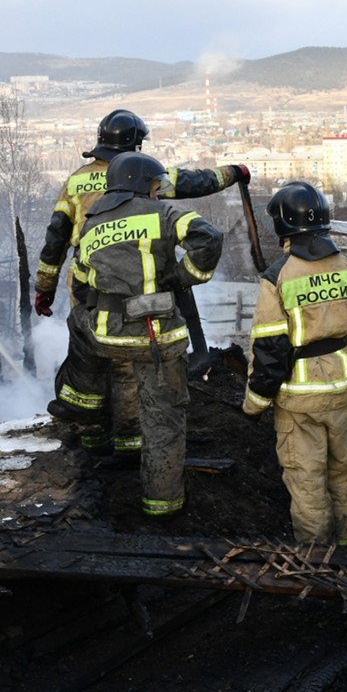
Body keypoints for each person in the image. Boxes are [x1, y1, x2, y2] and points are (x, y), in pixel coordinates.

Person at [36, 108, 249, 460]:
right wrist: (235, 172)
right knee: (129, 365)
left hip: (88, 281)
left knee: (93, 354)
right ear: (135, 143)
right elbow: (198, 182)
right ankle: (131, 443)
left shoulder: (75, 181)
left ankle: (92, 437)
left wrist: (45, 288)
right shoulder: (145, 175)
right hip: (140, 284)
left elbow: (56, 236)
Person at [52, 151, 224, 519]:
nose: (158, 192)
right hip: (155, 337)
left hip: (105, 337)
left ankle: (80, 400)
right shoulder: (162, 213)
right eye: (155, 185)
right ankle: (162, 506)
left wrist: (97, 312)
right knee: (162, 422)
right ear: (143, 184)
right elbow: (208, 238)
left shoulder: (93, 223)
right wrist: (180, 278)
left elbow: (81, 283)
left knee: (78, 323)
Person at [242, 181, 347, 546]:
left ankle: (319, 560)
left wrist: (254, 403)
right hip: (342, 389)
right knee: (342, 471)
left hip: (299, 398)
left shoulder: (278, 278)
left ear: (283, 224)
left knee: (306, 479)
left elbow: (270, 350)